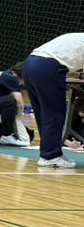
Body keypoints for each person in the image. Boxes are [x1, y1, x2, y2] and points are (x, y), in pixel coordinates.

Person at [21, 32, 84, 168]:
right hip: (48, 68)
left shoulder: (77, 37)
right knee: (54, 113)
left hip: (29, 65)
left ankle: (48, 154)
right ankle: (51, 156)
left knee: (43, 113)